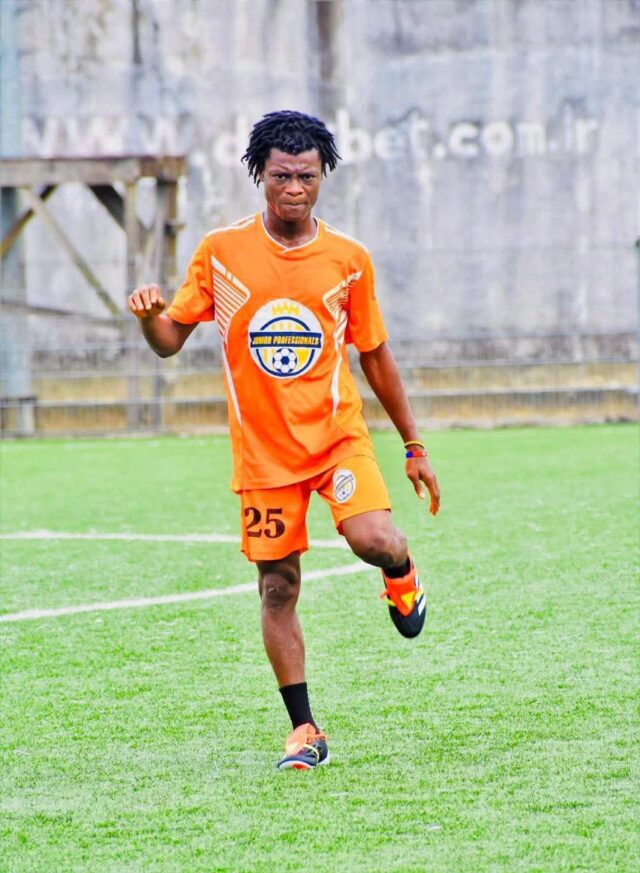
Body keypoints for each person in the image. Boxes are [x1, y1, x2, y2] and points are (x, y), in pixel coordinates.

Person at [128, 110, 440, 771]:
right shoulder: (222, 253)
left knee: (374, 540)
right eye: (280, 177)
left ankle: (401, 572)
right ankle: (304, 729)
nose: (294, 189)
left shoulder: (348, 260)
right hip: (264, 457)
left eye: (306, 177)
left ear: (323, 176)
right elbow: (168, 342)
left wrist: (414, 445)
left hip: (336, 440)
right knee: (277, 586)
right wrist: (152, 318)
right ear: (259, 176)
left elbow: (375, 355)